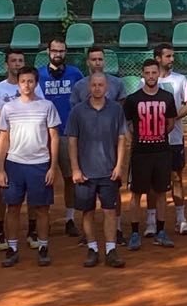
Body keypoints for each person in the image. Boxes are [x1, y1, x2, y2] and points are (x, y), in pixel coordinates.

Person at [0, 67, 60, 267]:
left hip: (40, 165)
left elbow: (54, 137)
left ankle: (43, 247)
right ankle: (12, 248)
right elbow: (3, 138)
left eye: (30, 81)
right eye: (23, 81)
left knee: (41, 209)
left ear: (36, 83)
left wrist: (52, 167)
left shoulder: (47, 106)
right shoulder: (8, 108)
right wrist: (1, 168)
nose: (27, 85)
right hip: (14, 165)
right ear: (18, 84)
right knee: (13, 208)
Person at [68, 72, 128, 268]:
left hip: (109, 172)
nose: (97, 88)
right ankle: (92, 248)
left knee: (110, 211)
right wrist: (75, 169)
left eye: (101, 85)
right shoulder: (77, 111)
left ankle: (111, 249)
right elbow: (72, 141)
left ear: (107, 87)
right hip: (85, 173)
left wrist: (119, 166)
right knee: (87, 212)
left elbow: (121, 139)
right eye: (94, 85)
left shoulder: (116, 110)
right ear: (89, 87)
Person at [0, 50, 45, 251]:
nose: (17, 63)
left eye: (21, 60)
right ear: (6, 65)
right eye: (13, 61)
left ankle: (32, 230)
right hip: (8, 148)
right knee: (1, 188)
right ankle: (0, 231)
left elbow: (41, 112)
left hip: (31, 148)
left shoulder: (35, 88)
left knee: (33, 190)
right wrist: (12, 133)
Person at [123, 60, 178, 251]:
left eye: (154, 73)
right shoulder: (133, 99)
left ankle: (160, 231)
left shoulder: (167, 97)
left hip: (162, 152)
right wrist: (135, 139)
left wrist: (158, 136)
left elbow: (171, 122)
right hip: (140, 154)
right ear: (143, 74)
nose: (151, 76)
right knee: (136, 193)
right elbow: (126, 123)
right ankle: (135, 233)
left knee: (161, 192)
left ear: (158, 74)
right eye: (147, 73)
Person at [37, 36, 84, 238]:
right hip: (42, 135)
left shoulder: (75, 73)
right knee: (42, 179)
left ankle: (70, 219)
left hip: (67, 133)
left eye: (61, 51)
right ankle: (42, 220)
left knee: (69, 178)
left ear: (66, 52)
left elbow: (83, 100)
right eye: (54, 50)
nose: (58, 54)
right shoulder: (38, 74)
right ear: (48, 51)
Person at [154, 43, 187, 236]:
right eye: (168, 56)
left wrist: (172, 117)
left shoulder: (180, 79)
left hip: (175, 137)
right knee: (153, 181)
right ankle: (152, 221)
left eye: (172, 56)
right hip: (152, 139)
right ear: (158, 58)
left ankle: (181, 219)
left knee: (177, 177)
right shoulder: (147, 80)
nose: (172, 59)